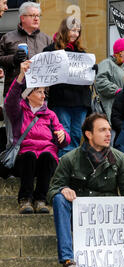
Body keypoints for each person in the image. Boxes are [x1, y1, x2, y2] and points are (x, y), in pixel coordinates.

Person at [47, 113, 124, 267]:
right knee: (58, 198)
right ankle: (68, 262)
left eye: (109, 129)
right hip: (80, 219)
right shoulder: (69, 159)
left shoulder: (119, 157)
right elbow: (51, 191)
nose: (108, 134)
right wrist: (63, 189)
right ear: (88, 134)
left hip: (110, 219)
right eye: (102, 130)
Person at [4, 60, 69, 214]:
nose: (43, 95)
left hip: (46, 159)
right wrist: (21, 75)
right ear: (28, 95)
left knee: (47, 156)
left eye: (44, 92)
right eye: (39, 92)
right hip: (25, 159)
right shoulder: (19, 112)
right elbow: (10, 101)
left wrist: (63, 136)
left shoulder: (50, 114)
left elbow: (65, 141)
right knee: (30, 155)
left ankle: (40, 199)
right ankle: (25, 199)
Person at [43, 17, 92, 157]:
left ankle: (72, 167)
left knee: (76, 135)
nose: (75, 34)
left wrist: (92, 70)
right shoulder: (51, 50)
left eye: (78, 31)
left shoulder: (82, 53)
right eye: (72, 30)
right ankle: (63, 168)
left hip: (80, 102)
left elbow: (87, 80)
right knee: (63, 135)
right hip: (61, 101)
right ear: (64, 30)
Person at [0, 2, 52, 98]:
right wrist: (13, 59)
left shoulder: (47, 39)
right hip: (15, 94)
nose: (36, 18)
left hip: (40, 95)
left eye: (38, 15)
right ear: (22, 18)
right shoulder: (8, 37)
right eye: (32, 15)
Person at [95, 38, 124, 121]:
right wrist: (117, 91)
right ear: (121, 52)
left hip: (123, 110)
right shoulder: (107, 63)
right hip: (110, 109)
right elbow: (100, 82)